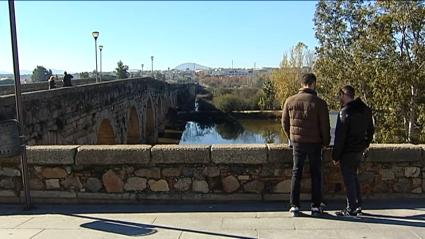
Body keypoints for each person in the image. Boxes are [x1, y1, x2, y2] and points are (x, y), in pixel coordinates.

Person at [282, 73, 331, 217]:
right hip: (315, 143)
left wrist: (291, 138)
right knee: (316, 174)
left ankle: (294, 205)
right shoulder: (320, 103)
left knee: (296, 173)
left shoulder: (290, 101)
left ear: (302, 84)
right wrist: (326, 142)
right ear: (313, 84)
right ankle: (315, 206)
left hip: (298, 143)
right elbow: (325, 127)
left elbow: (284, 123)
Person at [332, 85, 374, 217]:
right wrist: (365, 144)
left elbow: (340, 136)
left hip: (347, 150)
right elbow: (371, 130)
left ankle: (351, 208)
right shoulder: (365, 109)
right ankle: (358, 204)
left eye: (340, 95)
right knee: (354, 176)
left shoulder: (345, 112)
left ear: (345, 95)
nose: (340, 98)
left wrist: (335, 156)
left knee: (349, 179)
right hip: (359, 150)